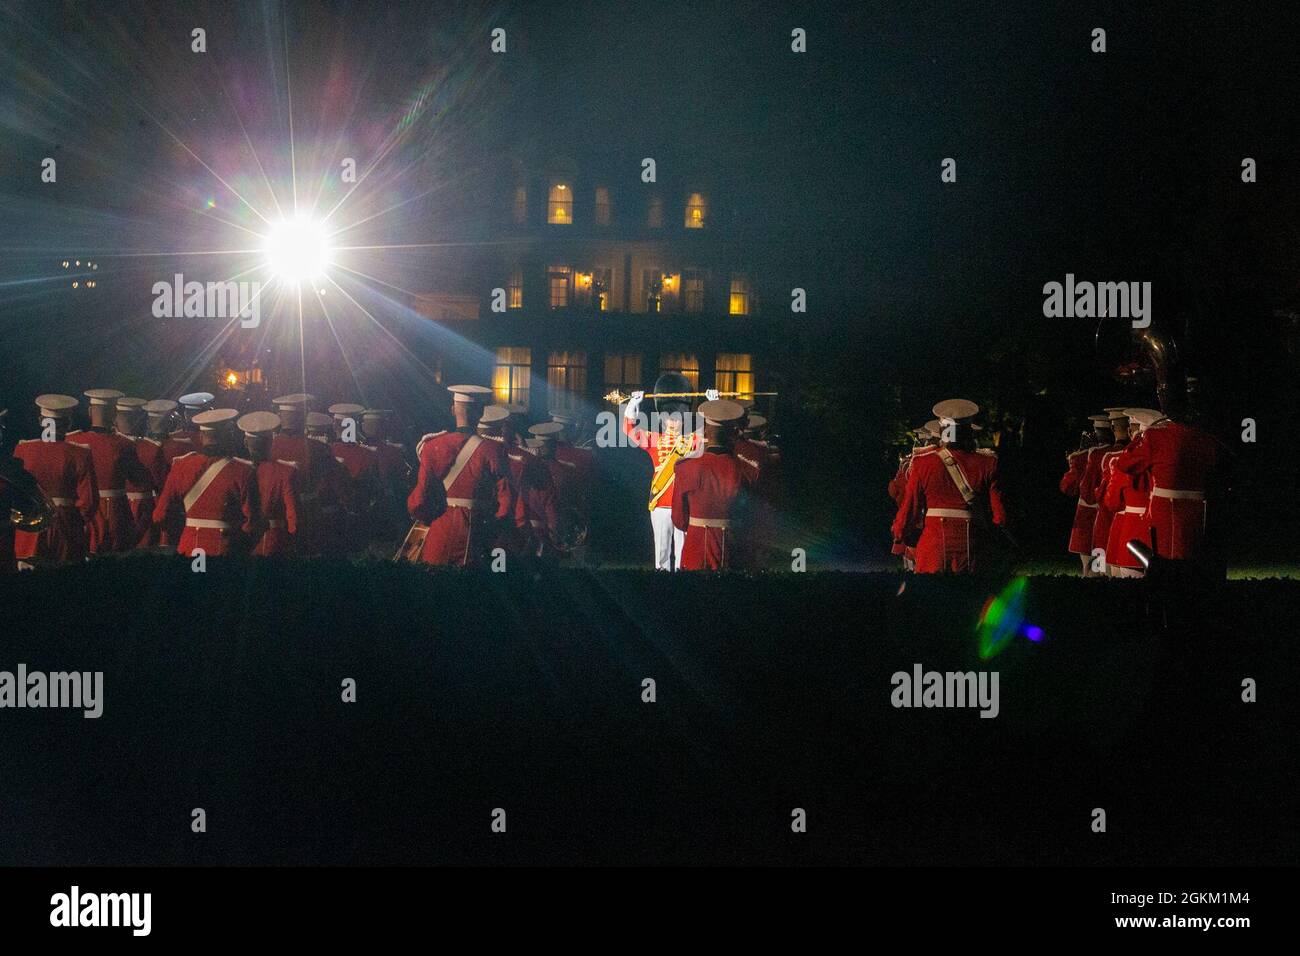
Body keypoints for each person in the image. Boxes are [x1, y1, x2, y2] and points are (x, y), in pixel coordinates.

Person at [891, 399, 1006, 573]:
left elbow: (910, 510)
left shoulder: (923, 462)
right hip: (975, 551)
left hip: (933, 552)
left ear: (942, 431)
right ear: (970, 432)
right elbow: (1001, 517)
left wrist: (899, 532)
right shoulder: (988, 463)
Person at [406, 385, 514, 566]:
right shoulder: (494, 450)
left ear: (452, 410)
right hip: (476, 532)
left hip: (441, 527)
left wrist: (424, 516)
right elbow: (506, 501)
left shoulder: (432, 446)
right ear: (480, 415)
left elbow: (419, 499)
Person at [1109, 407, 1220, 561]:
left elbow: (1125, 464)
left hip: (1165, 512)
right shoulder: (1205, 438)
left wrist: (1138, 439)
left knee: (1164, 562)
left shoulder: (1157, 436)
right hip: (1197, 512)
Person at [622, 379, 709, 570]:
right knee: (661, 555)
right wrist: (633, 405)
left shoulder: (691, 440)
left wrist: (710, 406)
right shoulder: (654, 440)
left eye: (677, 417)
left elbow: (708, 436)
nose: (673, 422)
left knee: (683, 553)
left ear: (684, 418)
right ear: (662, 418)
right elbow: (629, 430)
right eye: (669, 417)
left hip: (683, 503)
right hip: (660, 503)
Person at [152, 408, 258, 556]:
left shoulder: (181, 466)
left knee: (197, 577)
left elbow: (160, 515)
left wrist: (186, 527)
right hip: (225, 550)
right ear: (228, 436)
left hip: (190, 547)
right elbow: (253, 522)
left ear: (201, 436)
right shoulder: (243, 470)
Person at [12, 394, 97, 567]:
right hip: (66, 527)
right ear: (68, 423)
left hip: (28, 531)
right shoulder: (80, 454)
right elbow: (89, 501)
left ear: (40, 420)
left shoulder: (23, 449)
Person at [671, 399, 754, 570]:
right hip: (730, 548)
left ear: (706, 431)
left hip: (695, 545)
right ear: (733, 433)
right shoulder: (745, 469)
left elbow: (679, 520)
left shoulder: (685, 467)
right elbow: (748, 518)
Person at [67, 388, 151, 553]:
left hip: (83, 513)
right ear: (114, 414)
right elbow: (138, 480)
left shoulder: (74, 441)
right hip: (117, 514)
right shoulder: (125, 445)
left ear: (90, 412)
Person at [1102, 408, 1161, 577]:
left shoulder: (1123, 461)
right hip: (1160, 529)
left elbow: (1112, 502)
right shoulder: (1163, 458)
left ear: (1131, 432)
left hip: (1132, 529)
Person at [237, 411, 300, 557]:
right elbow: (293, 515)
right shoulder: (286, 471)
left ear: (245, 442)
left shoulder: (236, 469)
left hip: (239, 540)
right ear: (272, 442)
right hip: (274, 540)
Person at [1066, 414, 1114, 577]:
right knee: (1103, 563)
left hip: (1089, 514)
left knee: (1091, 567)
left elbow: (1068, 487)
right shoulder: (1117, 451)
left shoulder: (1089, 455)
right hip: (1109, 514)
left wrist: (1078, 454)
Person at [1090, 409, 1132, 573]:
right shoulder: (1128, 455)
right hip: (1129, 520)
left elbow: (1095, 494)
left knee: (1099, 570)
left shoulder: (1103, 456)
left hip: (1106, 517)